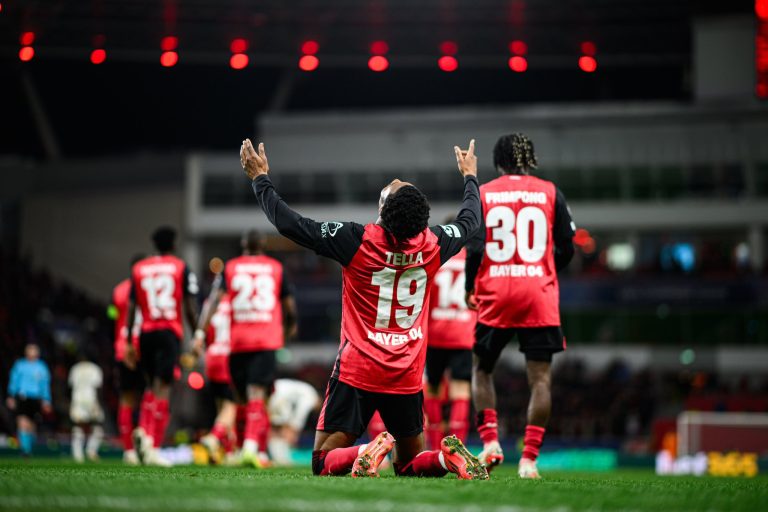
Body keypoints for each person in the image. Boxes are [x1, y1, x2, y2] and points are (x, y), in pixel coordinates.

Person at [240, 137, 486, 479]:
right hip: (406, 374)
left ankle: (364, 451)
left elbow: (289, 224)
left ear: (383, 210)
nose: (396, 180)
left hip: (358, 371)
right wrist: (470, 176)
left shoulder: (356, 240)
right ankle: (447, 459)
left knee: (321, 461)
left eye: (394, 187)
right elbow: (471, 219)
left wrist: (260, 178)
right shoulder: (434, 244)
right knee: (408, 465)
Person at [465, 133, 575, 479]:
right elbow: (568, 247)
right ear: (530, 160)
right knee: (540, 379)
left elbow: (476, 249)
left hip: (496, 291)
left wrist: (471, 285)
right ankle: (528, 460)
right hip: (537, 293)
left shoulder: (484, 193)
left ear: (498, 162)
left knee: (482, 369)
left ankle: (490, 443)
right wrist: (543, 271)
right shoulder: (550, 191)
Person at [194, 229, 298, 467]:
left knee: (240, 398)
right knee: (256, 396)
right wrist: (288, 328)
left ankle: (245, 447)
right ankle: (251, 448)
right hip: (266, 340)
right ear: (263, 244)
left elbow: (213, 301)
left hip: (238, 342)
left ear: (243, 244)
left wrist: (200, 333)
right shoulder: (275, 268)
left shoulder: (230, 267)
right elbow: (290, 307)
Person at [127, 226, 199, 466]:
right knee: (164, 388)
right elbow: (189, 307)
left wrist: (129, 339)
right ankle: (153, 444)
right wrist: (198, 334)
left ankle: (144, 433)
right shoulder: (179, 267)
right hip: (169, 331)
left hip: (145, 332)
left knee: (150, 385)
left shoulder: (139, 268)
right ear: (173, 244)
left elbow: (131, 307)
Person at [423, 229, 476, 450]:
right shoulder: (474, 261)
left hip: (435, 334)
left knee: (433, 388)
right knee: (461, 389)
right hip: (464, 334)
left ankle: (435, 447)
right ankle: (456, 449)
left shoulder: (436, 258)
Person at [110, 254, 145, 464]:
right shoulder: (148, 287)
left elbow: (112, 316)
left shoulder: (119, 290)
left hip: (123, 349)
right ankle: (147, 443)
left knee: (126, 399)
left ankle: (129, 450)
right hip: (144, 349)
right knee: (149, 397)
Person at [197, 294, 238, 464]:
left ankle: (226, 452)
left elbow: (205, 330)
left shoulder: (211, 302)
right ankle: (214, 438)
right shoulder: (237, 299)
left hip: (212, 356)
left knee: (221, 406)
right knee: (232, 406)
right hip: (230, 357)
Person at [6, 343, 51, 457]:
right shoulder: (20, 365)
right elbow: (14, 380)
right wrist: (11, 395)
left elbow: (45, 384)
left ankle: (29, 447)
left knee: (31, 424)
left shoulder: (41, 367)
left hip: (36, 398)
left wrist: (46, 400)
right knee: (22, 421)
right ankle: (25, 449)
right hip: (23, 397)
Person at [267, 378, 320, 466]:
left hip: (274, 391)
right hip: (278, 395)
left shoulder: (307, 390)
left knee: (276, 427)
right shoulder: (312, 396)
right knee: (280, 429)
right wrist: (294, 431)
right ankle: (280, 457)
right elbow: (301, 412)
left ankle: (276, 456)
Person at [68, 354, 104, 463]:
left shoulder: (75, 368)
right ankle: (91, 450)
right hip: (91, 400)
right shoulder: (95, 368)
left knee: (78, 426)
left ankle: (77, 454)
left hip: (77, 400)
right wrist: (98, 403)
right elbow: (98, 387)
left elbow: (70, 387)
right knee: (97, 426)